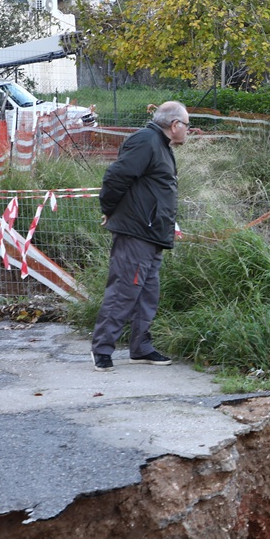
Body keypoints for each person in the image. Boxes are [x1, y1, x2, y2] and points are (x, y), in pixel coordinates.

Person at [91, 101, 191, 371]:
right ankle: (102, 349)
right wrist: (109, 209)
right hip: (136, 232)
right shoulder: (146, 141)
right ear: (175, 125)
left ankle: (141, 348)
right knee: (124, 291)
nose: (188, 130)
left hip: (152, 234)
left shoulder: (161, 145)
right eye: (187, 125)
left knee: (147, 294)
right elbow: (115, 177)